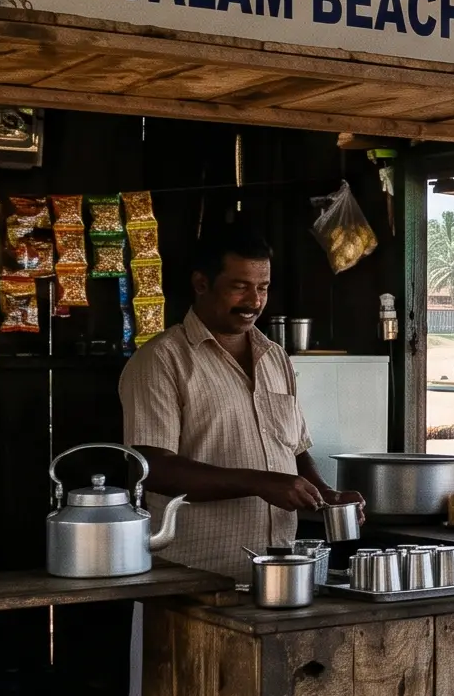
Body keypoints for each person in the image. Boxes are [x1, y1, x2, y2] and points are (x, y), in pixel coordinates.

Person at [121, 226, 362, 578]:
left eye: (262, 288)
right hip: (191, 575)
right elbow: (153, 468)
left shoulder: (275, 357)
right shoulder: (160, 360)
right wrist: (260, 483)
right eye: (240, 287)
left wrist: (326, 494)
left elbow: (293, 449)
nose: (254, 302)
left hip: (277, 571)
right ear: (202, 284)